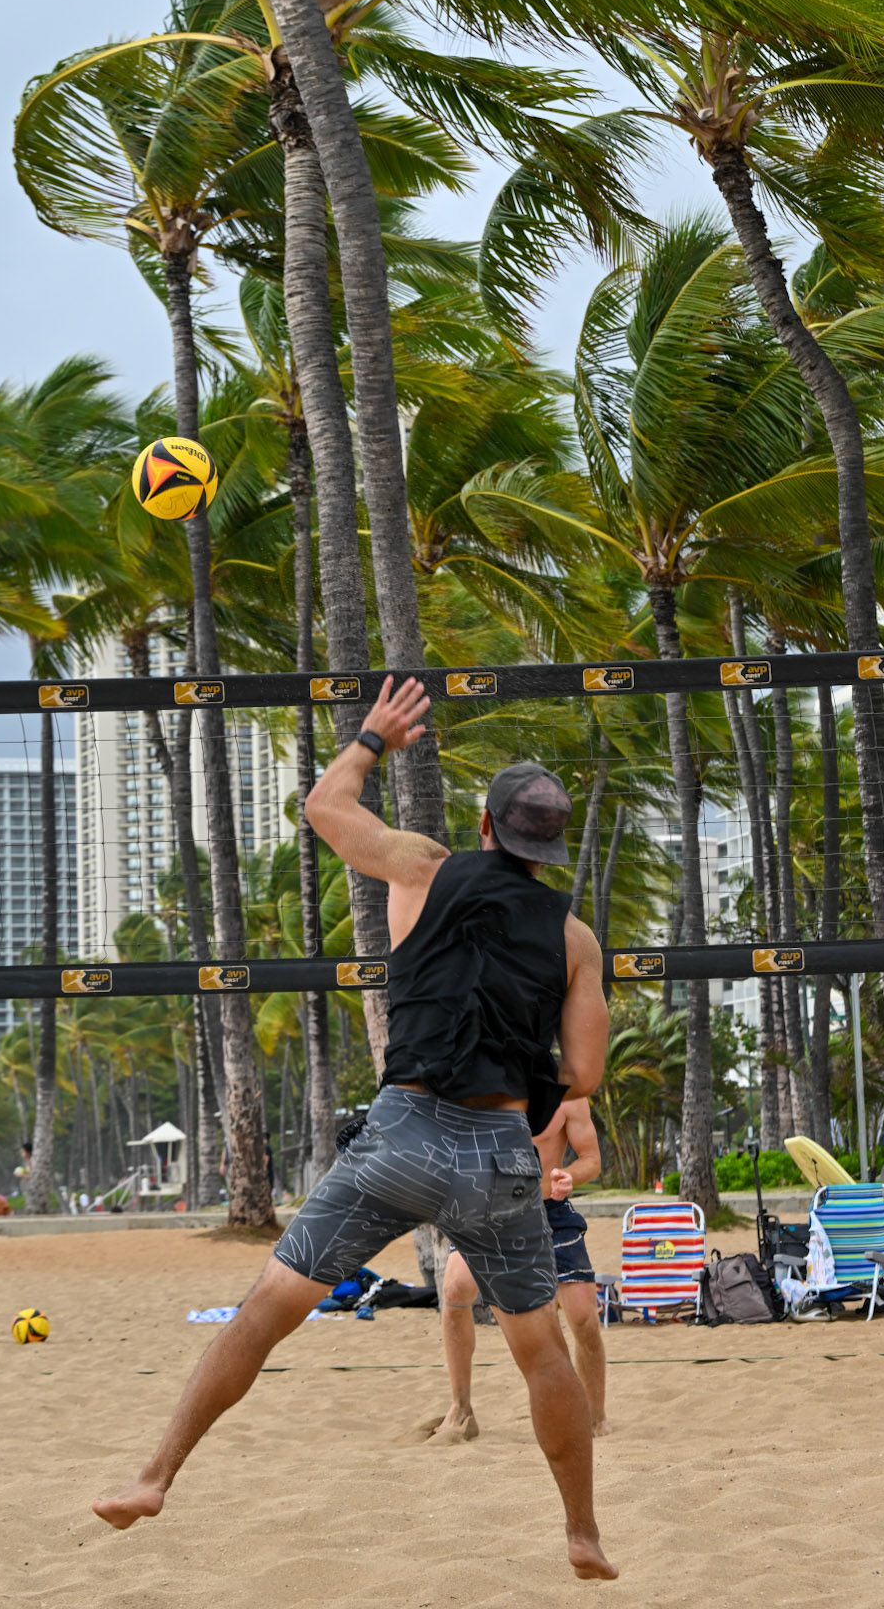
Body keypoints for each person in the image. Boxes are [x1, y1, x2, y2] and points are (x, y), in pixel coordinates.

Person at [94, 676, 616, 1582]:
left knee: (264, 1312)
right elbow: (585, 1074)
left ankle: (152, 1477)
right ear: (549, 845)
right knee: (537, 1350)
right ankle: (582, 1534)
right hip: (496, 1152)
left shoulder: (421, 865)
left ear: (486, 828)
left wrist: (373, 737)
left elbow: (323, 807)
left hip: (402, 1132)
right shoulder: (572, 939)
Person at [419, 1095, 610, 1445]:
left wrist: (569, 1175)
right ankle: (461, 1409)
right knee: (454, 1289)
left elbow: (592, 1159)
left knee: (584, 1317)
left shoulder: (567, 1094)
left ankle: (595, 1416)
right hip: (488, 1209)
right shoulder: (481, 1084)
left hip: (548, 1209)